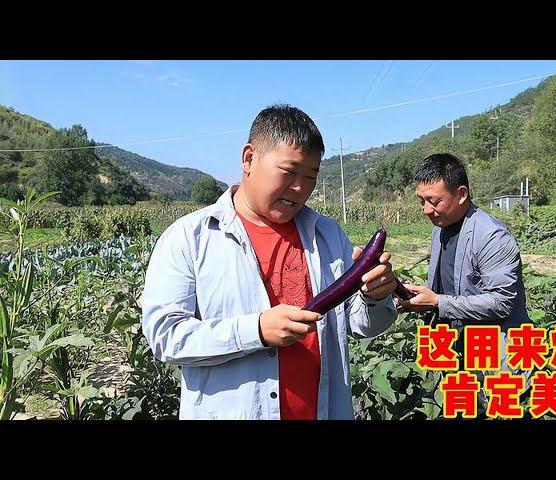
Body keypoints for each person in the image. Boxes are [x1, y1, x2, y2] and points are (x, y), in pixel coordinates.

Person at [141, 104, 398, 420]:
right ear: (249, 159)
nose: (300, 188)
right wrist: (256, 330)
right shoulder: (189, 238)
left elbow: (361, 325)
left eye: (311, 176)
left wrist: (374, 297)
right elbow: (166, 337)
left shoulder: (328, 235)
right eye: (289, 172)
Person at [395, 153, 531, 413]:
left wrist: (437, 301)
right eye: (421, 201)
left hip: (494, 357)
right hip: (458, 351)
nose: (426, 210)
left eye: (434, 201)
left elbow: (501, 303)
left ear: (461, 194)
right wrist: (419, 300)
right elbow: (446, 286)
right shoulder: (441, 228)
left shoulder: (492, 237)